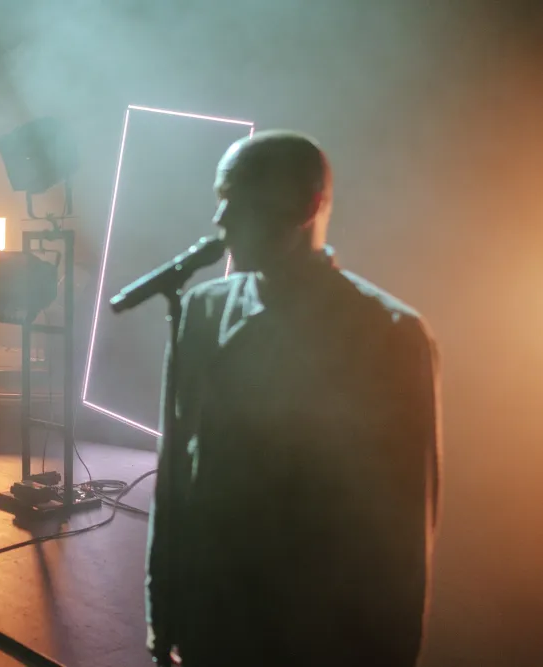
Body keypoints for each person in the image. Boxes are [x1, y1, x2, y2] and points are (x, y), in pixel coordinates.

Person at [145, 130, 442, 666]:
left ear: (306, 205)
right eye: (220, 197)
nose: (222, 219)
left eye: (240, 198)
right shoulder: (201, 312)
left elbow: (401, 532)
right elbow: (173, 478)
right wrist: (161, 611)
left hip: (314, 638)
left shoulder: (388, 334)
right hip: (211, 625)